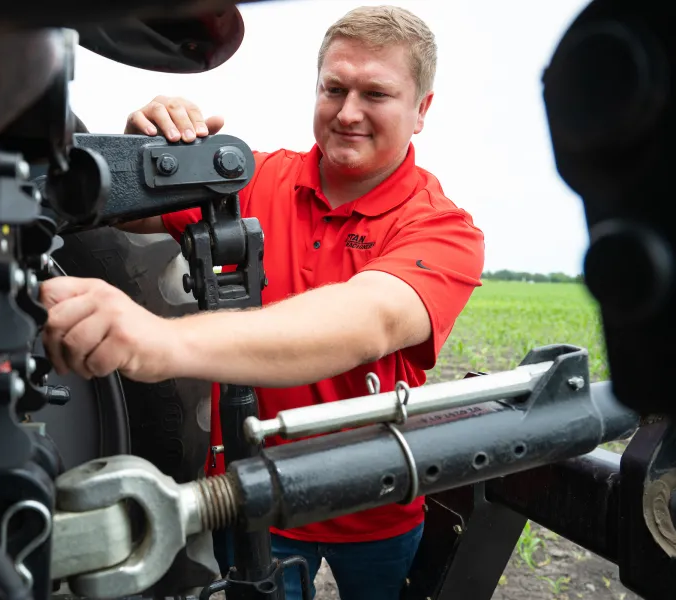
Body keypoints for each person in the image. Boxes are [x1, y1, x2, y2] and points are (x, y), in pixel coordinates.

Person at [40, 5, 485, 599]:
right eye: (334, 88)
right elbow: (120, 214)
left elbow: (369, 321)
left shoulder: (443, 229)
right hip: (254, 503)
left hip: (377, 508)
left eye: (376, 93)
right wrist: (136, 153)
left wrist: (158, 340)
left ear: (421, 110)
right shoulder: (252, 181)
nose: (348, 112)